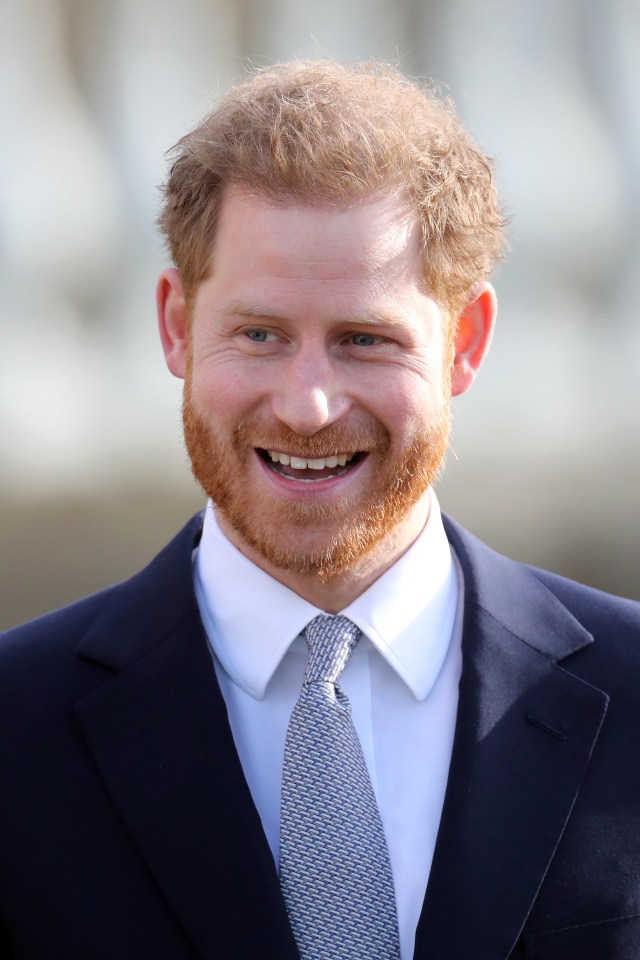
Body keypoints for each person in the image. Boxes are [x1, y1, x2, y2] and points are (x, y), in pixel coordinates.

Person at [0, 60, 638, 960]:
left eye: (364, 340)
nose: (307, 406)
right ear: (177, 327)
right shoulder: (15, 734)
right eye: (259, 334)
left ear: (467, 344)